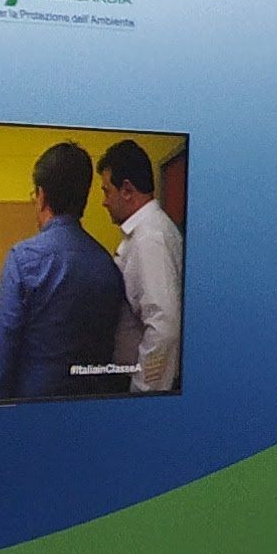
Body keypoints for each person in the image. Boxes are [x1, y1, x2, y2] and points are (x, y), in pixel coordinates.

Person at [0, 141, 132, 401]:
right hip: (93, 410)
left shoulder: (23, 259)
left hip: (32, 411)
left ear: (41, 195)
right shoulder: (108, 265)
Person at [99, 139, 182, 393]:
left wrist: (143, 392)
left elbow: (163, 326)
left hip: (141, 388)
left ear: (126, 189)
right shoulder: (146, 233)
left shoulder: (149, 238)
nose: (104, 202)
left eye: (106, 191)